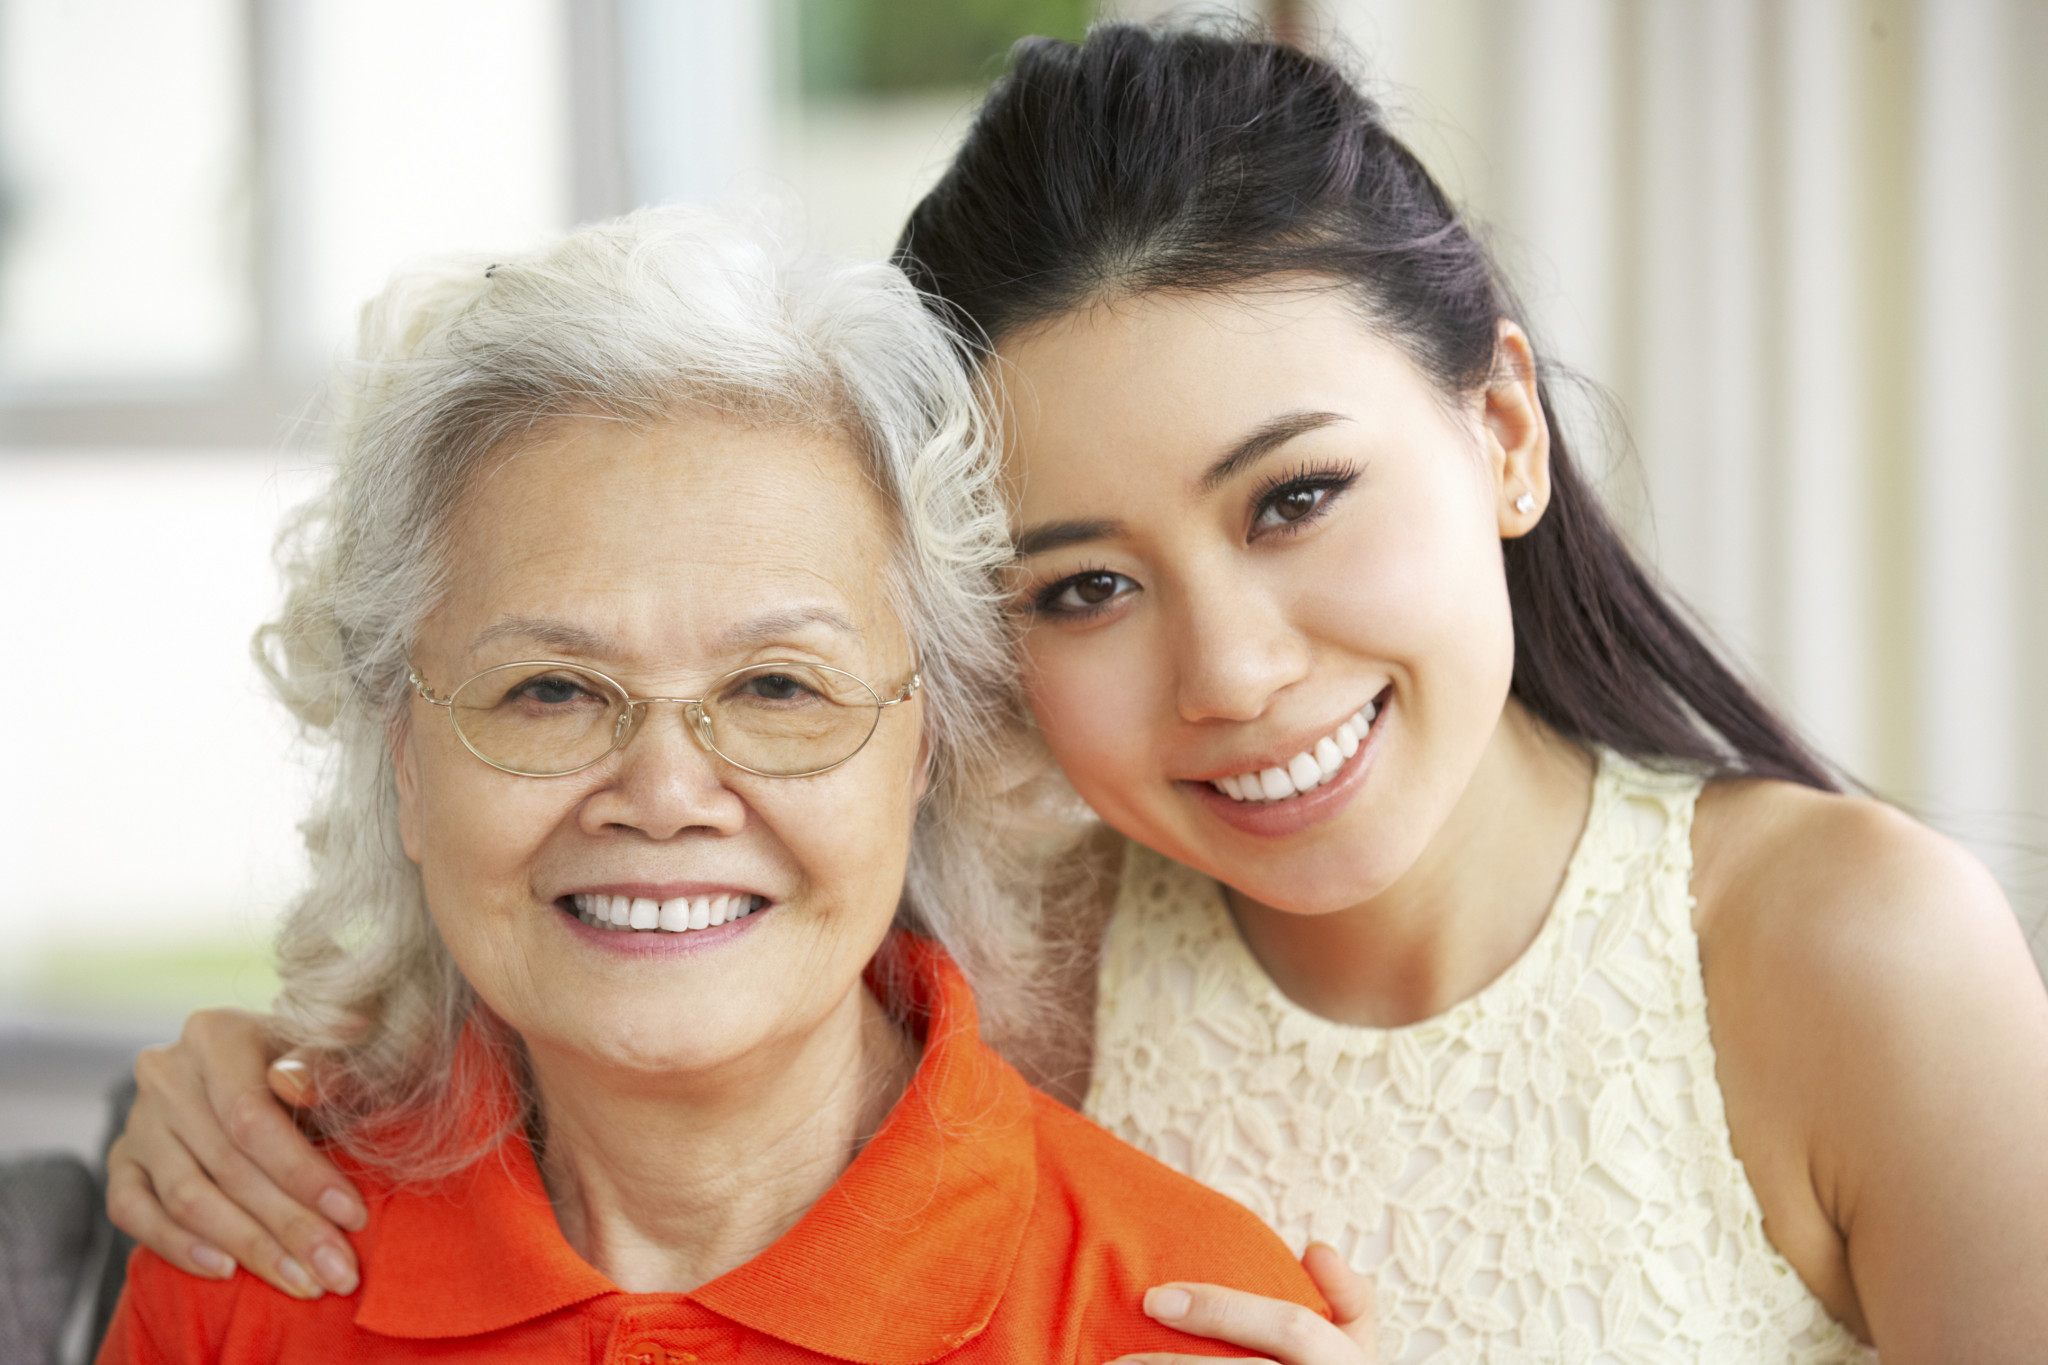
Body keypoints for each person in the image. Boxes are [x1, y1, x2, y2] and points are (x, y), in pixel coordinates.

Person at [108, 25, 2048, 1364]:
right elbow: (632, 952)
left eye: (1296, 497)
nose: (1231, 669)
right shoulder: (1030, 924)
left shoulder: (1849, 954)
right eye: (1086, 582)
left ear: (1503, 429)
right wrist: (245, 1078)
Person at [93, 206, 1339, 1364]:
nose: (666, 790)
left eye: (778, 690)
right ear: (405, 764)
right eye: (551, 690)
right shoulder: (239, 1267)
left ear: (925, 747)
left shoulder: (1173, 1312)